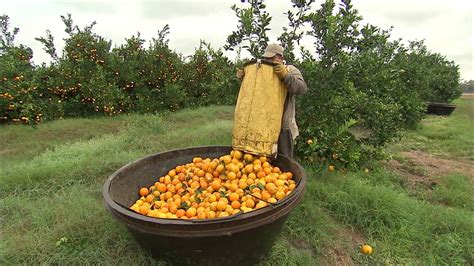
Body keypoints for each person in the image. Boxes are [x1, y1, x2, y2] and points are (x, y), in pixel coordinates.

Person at [236, 43, 308, 158]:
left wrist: (285, 75)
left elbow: (301, 88)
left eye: (272, 58)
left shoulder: (290, 69)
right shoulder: (262, 71)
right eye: (266, 58)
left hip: (283, 128)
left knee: (283, 162)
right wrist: (246, 77)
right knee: (260, 161)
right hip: (263, 125)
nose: (268, 60)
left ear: (280, 57)